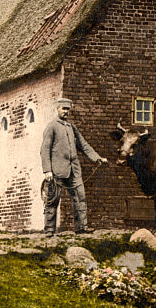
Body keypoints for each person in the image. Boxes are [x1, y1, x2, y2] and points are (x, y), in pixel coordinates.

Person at [39, 98, 106, 236]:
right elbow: (44, 150)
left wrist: (97, 158)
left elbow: (83, 145)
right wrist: (47, 170)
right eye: (63, 109)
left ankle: (81, 228)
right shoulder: (51, 126)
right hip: (57, 170)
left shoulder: (71, 127)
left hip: (74, 170)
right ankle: (49, 231)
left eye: (67, 109)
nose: (66, 112)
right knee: (52, 199)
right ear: (57, 108)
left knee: (80, 198)